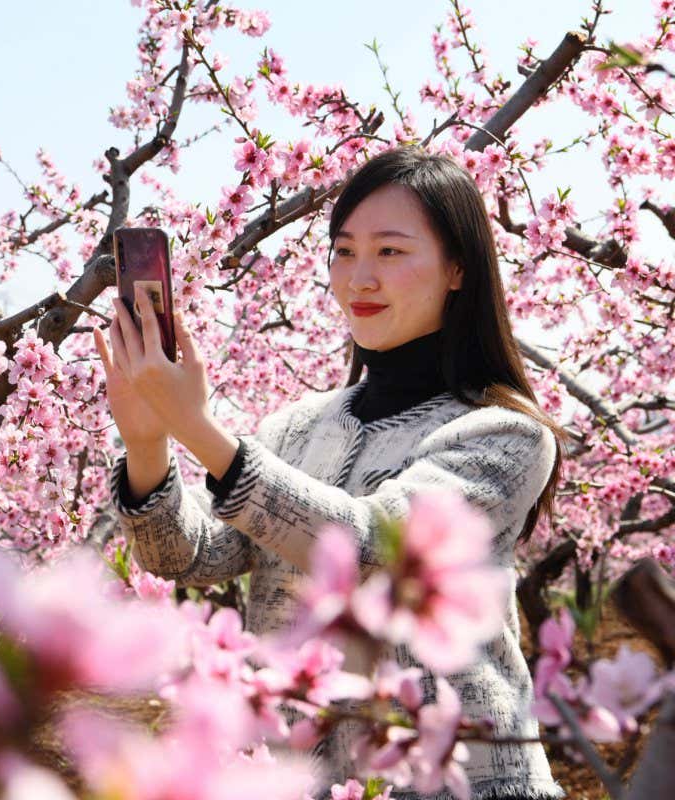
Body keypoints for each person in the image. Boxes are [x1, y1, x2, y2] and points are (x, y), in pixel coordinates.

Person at [91, 144, 570, 800]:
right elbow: (190, 556)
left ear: (459, 268)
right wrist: (148, 442)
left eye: (389, 252)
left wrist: (197, 428)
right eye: (343, 251)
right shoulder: (297, 427)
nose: (357, 278)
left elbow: (372, 543)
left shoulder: (505, 434)